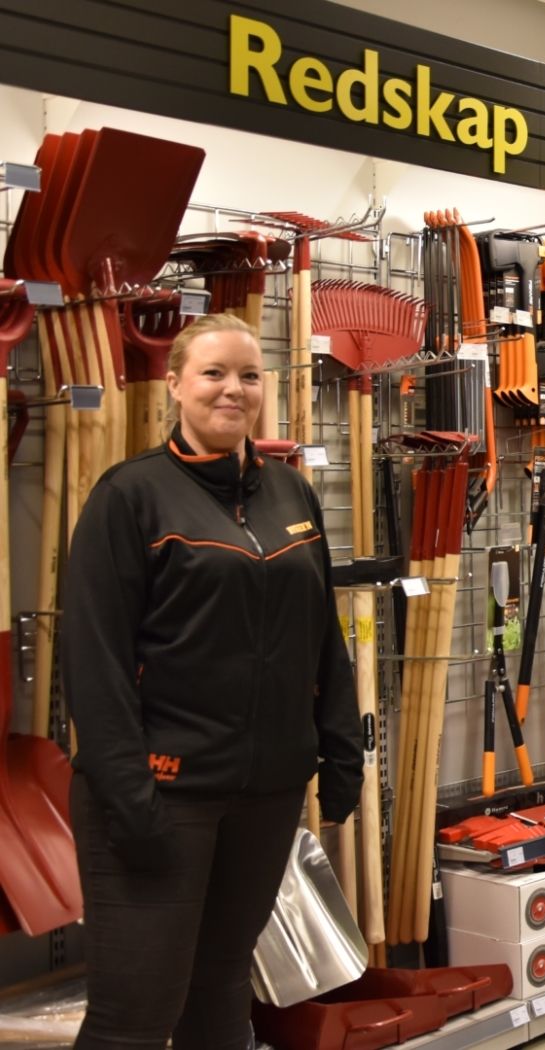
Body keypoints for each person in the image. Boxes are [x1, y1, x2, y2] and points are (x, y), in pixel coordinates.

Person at [61, 313, 363, 1050]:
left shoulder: (291, 494)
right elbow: (94, 660)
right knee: (134, 1017)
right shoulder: (131, 495)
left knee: (222, 990)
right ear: (175, 385)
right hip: (163, 795)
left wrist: (339, 752)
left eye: (249, 376)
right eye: (214, 373)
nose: (234, 390)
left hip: (266, 794)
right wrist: (131, 798)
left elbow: (322, 635)